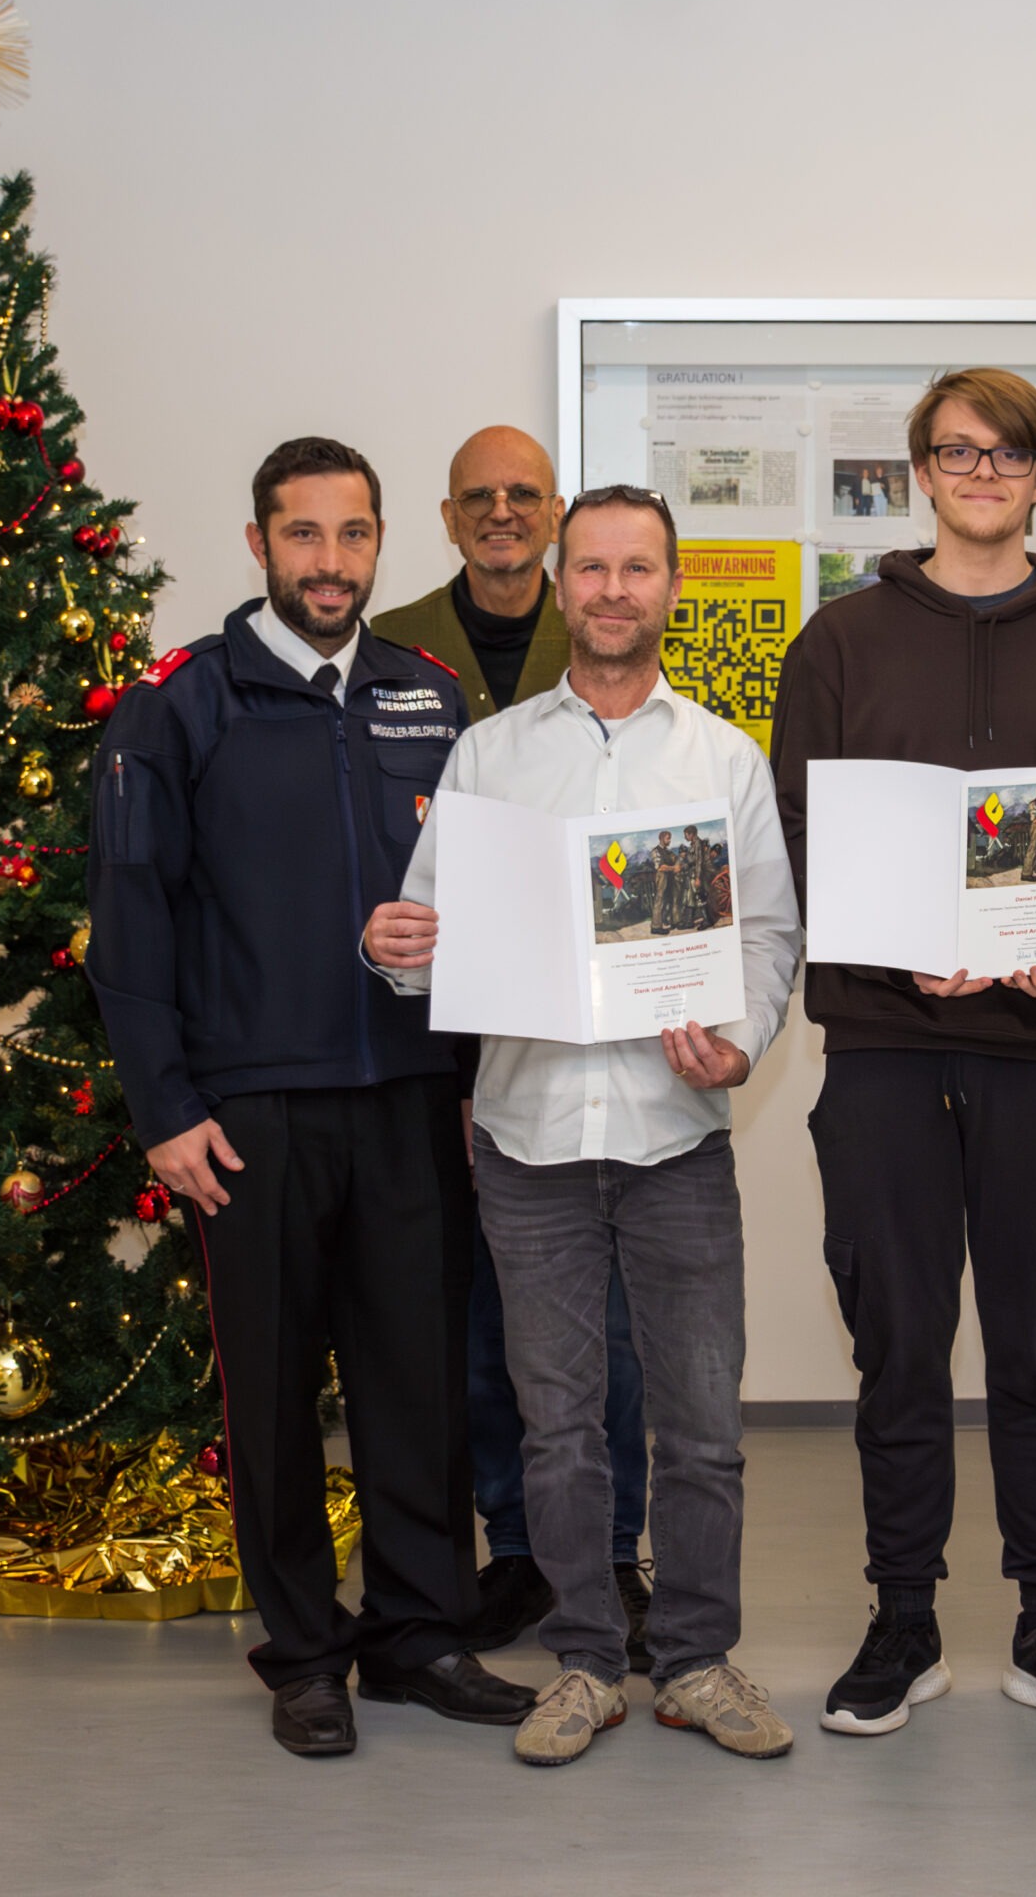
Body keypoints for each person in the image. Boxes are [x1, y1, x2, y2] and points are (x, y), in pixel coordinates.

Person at [87, 436, 536, 1758]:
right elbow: (129, 924)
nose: (330, 564)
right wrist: (165, 1109)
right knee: (275, 1395)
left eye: (352, 537)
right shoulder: (182, 704)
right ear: (258, 545)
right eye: (303, 536)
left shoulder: (427, 696)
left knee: (420, 1386)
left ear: (382, 542)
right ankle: (304, 1655)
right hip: (249, 1115)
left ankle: (417, 1633)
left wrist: (470, 1081)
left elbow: (484, 906)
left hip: (407, 1103)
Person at [365, 483, 802, 1767]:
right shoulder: (490, 756)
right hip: (528, 1138)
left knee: (702, 1423)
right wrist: (394, 951)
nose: (612, 591)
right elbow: (426, 939)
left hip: (676, 1130)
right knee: (556, 1426)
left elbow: (769, 934)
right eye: (591, 570)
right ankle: (583, 1663)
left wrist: (742, 1036)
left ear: (671, 589)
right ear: (562, 587)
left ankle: (700, 1659)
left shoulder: (721, 757)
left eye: (637, 570)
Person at [771, 366, 1036, 1741]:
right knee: (898, 1345)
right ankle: (903, 1617)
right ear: (921, 472)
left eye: (1009, 454)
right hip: (883, 1043)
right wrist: (891, 949)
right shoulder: (839, 641)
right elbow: (804, 837)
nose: (981, 472)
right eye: (956, 450)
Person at [372, 426, 652, 1671]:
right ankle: (519, 1551)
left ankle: (614, 1558)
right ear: (447, 516)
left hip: (606, 1049)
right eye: (478, 496)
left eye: (522, 495)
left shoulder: (604, 638)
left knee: (616, 1322)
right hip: (448, 1035)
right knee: (488, 1316)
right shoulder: (388, 646)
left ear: (552, 517)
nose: (502, 513)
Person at [649, 830, 683, 935]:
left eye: (670, 838)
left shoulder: (668, 852)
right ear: (662, 838)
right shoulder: (655, 851)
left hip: (670, 878)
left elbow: (676, 859)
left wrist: (679, 861)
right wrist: (674, 868)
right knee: (659, 900)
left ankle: (675, 921)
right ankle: (656, 927)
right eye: (668, 838)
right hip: (662, 878)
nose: (669, 840)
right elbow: (660, 867)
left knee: (672, 899)